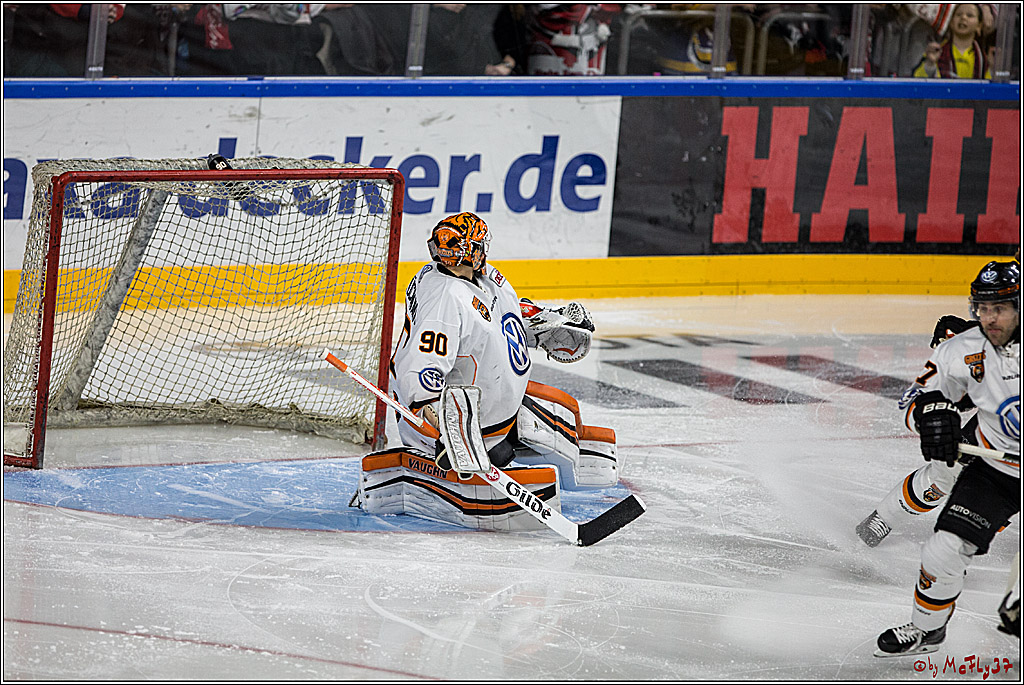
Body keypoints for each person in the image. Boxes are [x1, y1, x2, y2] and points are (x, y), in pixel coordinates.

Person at [355, 212, 620, 530]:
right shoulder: (444, 297)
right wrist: (446, 432)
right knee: (508, 452)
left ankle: (514, 442)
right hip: (458, 429)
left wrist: (547, 322)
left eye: (457, 251)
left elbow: (503, 314)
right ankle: (466, 459)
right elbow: (420, 368)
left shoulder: (486, 276)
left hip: (496, 410)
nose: (450, 258)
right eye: (447, 251)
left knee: (562, 412)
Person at [874, 260, 1020, 657]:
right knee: (942, 540)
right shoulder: (966, 348)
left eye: (1001, 308)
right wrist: (932, 418)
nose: (990, 318)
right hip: (997, 467)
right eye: (983, 308)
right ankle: (927, 630)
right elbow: (914, 400)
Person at [936, 2, 986, 78]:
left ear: (979, 26)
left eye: (969, 15)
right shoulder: (937, 51)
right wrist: (930, 64)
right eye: (958, 14)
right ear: (951, 22)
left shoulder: (984, 58)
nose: (963, 18)